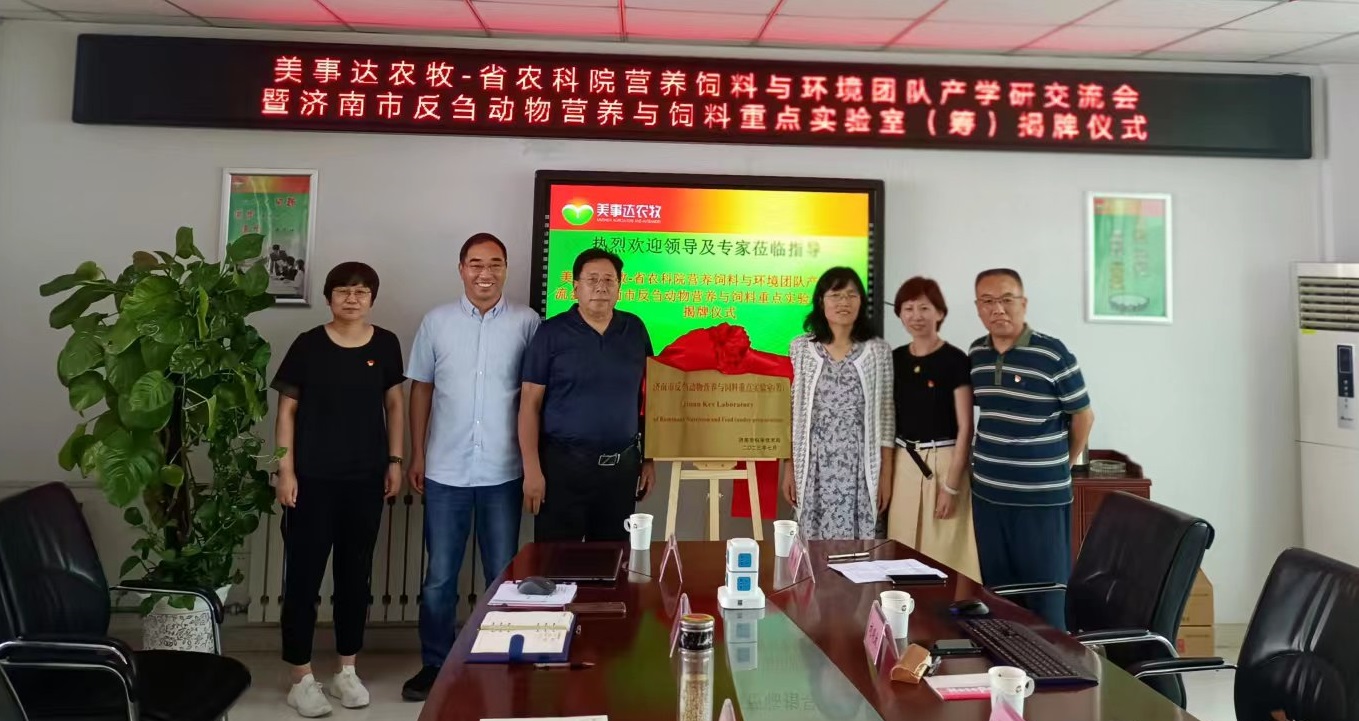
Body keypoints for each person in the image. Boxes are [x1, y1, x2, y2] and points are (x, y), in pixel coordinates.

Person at [401, 233, 541, 701]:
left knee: (501, 572)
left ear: (506, 269)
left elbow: (535, 397)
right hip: (446, 469)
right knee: (440, 575)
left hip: (504, 469)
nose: (486, 273)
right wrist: (418, 453)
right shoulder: (436, 321)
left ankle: (500, 656)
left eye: (495, 264)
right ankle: (435, 663)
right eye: (476, 263)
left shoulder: (527, 322)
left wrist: (532, 463)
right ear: (461, 268)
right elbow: (421, 388)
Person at [271, 262, 405, 717]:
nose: (352, 298)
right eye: (343, 290)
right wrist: (285, 471)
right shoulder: (308, 345)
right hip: (312, 481)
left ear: (372, 298)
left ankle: (346, 669)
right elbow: (286, 412)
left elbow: (394, 405)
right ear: (329, 297)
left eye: (361, 291)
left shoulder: (385, 344)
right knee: (303, 578)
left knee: (355, 577)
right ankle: (301, 677)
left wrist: (394, 461)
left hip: (365, 480)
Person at [969, 268, 1094, 631]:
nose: (998, 309)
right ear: (977, 307)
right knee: (999, 596)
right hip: (988, 497)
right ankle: (1007, 660)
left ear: (1023, 303)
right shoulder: (976, 354)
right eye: (988, 301)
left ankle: (1054, 663)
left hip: (1041, 499)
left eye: (1006, 299)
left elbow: (1083, 417)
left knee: (1047, 596)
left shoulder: (1052, 354)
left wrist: (1062, 463)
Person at [519, 248, 655, 541]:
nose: (601, 287)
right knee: (557, 562)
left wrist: (649, 459)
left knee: (613, 560)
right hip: (562, 470)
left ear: (619, 286)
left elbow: (647, 400)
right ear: (575, 287)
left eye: (609, 280)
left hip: (621, 470)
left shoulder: (635, 330)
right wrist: (532, 470)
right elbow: (529, 403)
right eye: (592, 279)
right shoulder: (551, 333)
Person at [785, 267, 894, 540]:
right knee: (811, 544)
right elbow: (791, 413)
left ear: (861, 302)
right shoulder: (800, 349)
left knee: (860, 547)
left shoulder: (877, 351)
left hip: (860, 465)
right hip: (813, 463)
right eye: (835, 295)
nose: (844, 302)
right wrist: (789, 468)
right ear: (821, 301)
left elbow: (886, 416)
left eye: (851, 295)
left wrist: (885, 475)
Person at [887, 277, 981, 581]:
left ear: (939, 312)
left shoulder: (955, 360)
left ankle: (948, 609)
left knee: (945, 555)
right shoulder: (895, 359)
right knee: (901, 550)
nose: (916, 315)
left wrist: (951, 487)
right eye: (908, 308)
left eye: (924, 308)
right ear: (899, 314)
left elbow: (966, 427)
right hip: (904, 462)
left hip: (945, 463)